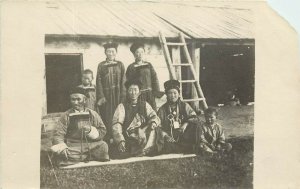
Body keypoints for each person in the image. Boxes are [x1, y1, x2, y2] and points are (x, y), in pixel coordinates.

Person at [51, 87, 109, 167]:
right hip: (73, 146)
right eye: (73, 99)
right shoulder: (65, 115)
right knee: (64, 153)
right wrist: (62, 147)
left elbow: (102, 130)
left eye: (78, 99)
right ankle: (88, 156)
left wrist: (91, 131)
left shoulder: (93, 114)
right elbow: (58, 134)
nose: (75, 102)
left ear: (85, 100)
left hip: (91, 144)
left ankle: (81, 157)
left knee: (103, 146)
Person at [111, 80, 161, 158]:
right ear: (127, 92)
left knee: (155, 131)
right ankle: (142, 151)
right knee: (122, 150)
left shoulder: (145, 105)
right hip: (130, 136)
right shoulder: (122, 106)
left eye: (135, 90)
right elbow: (117, 124)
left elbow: (154, 116)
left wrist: (152, 123)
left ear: (139, 92)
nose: (133, 93)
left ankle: (145, 150)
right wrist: (120, 140)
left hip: (144, 134)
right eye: (130, 90)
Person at [157, 80, 200, 154]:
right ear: (166, 95)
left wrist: (185, 124)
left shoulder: (185, 105)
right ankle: (180, 147)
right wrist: (165, 136)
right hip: (169, 135)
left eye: (175, 93)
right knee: (165, 145)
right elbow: (158, 126)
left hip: (183, 133)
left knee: (196, 125)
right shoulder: (162, 109)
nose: (173, 95)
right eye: (170, 93)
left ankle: (185, 146)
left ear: (179, 94)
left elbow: (194, 117)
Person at [96, 42, 126, 143]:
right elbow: (98, 81)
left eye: (113, 51)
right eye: (108, 51)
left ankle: (120, 138)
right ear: (105, 53)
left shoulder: (120, 64)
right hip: (107, 96)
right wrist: (101, 96)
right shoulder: (101, 65)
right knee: (108, 116)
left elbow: (124, 80)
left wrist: (123, 95)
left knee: (119, 115)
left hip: (118, 95)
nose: (111, 53)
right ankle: (109, 139)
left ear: (116, 53)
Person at [126, 42, 161, 111]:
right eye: (137, 52)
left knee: (152, 112)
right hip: (139, 95)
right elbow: (129, 83)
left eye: (142, 52)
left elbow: (154, 78)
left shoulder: (148, 65)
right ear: (134, 54)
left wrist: (156, 91)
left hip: (150, 94)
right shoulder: (131, 67)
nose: (140, 54)